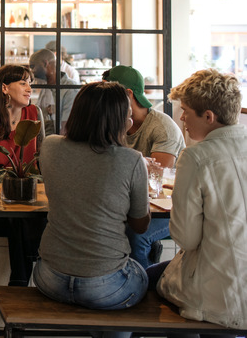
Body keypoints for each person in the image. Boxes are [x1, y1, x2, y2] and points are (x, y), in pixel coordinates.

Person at [34, 82, 150, 320]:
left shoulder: (50, 146)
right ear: (119, 120)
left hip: (48, 277)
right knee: (147, 273)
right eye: (127, 114)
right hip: (105, 285)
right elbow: (141, 226)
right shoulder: (132, 160)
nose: (131, 118)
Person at [150, 69, 247, 329]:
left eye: (186, 111)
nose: (181, 118)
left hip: (217, 294)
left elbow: (186, 238)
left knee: (141, 282)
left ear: (208, 116)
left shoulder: (196, 157)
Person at [104, 65, 185, 268]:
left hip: (169, 209)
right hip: (131, 203)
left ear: (128, 94)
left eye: (109, 91)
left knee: (136, 235)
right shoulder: (112, 122)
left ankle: (143, 290)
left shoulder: (162, 127)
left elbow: (157, 177)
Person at [0, 64, 45, 286]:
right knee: (17, 215)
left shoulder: (34, 114)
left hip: (28, 186)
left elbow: (41, 157)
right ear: (4, 88)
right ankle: (22, 282)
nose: (29, 88)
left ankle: (20, 283)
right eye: (23, 83)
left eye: (30, 83)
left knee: (35, 211)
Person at [29, 48, 79, 135]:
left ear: (45, 64)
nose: (32, 72)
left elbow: (65, 130)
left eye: (33, 67)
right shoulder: (46, 87)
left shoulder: (70, 89)